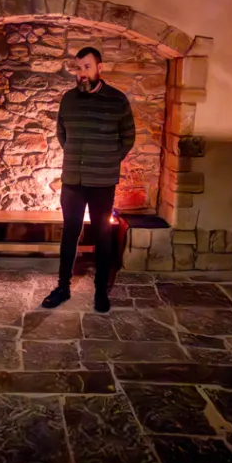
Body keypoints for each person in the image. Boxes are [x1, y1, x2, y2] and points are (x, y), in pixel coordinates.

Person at [42, 47, 135, 313]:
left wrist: (108, 159)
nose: (82, 73)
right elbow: (62, 132)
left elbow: (128, 136)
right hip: (73, 179)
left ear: (99, 68)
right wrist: (73, 154)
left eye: (86, 67)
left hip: (102, 181)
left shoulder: (117, 101)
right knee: (70, 233)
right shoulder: (69, 100)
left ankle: (100, 291)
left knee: (103, 236)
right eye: (78, 68)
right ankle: (62, 288)